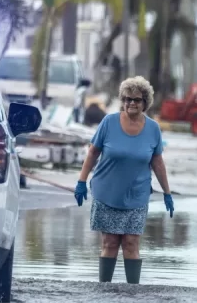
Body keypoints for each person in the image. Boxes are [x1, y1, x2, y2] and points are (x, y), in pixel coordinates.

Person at [74, 76, 174, 285]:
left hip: (136, 195)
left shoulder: (153, 129)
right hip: (107, 192)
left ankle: (133, 293)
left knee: (131, 243)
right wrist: (82, 181)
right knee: (109, 243)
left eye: (136, 100)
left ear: (145, 102)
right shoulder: (109, 122)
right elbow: (93, 153)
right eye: (127, 99)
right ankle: (105, 290)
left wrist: (167, 192)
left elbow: (158, 163)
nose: (131, 103)